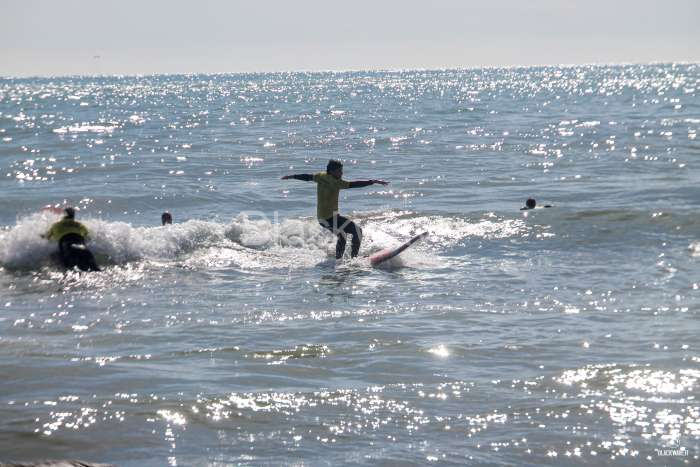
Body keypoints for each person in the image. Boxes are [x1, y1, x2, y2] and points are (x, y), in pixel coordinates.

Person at [282, 159, 389, 259]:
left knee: (356, 231)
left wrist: (292, 176)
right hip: (325, 219)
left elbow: (307, 177)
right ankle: (341, 260)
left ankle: (352, 258)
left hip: (333, 217)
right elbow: (354, 184)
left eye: (342, 171)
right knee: (343, 235)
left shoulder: (322, 177)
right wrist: (372, 181)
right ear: (332, 171)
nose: (341, 173)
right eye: (339, 171)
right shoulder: (334, 181)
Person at [42, 207, 100, 271]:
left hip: (68, 248)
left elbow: (46, 237)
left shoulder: (56, 225)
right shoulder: (79, 224)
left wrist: (41, 236)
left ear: (63, 215)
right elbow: (87, 236)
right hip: (83, 248)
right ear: (73, 215)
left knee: (53, 257)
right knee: (95, 269)